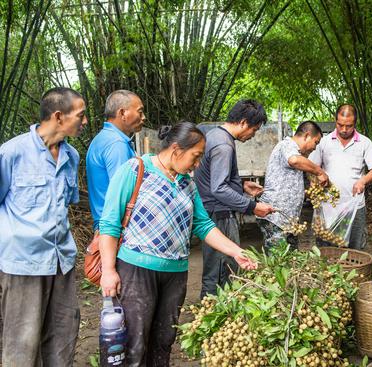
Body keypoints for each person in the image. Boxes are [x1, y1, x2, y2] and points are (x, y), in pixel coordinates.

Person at [99, 122, 257, 366]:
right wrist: (108, 270)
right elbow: (109, 224)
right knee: (134, 341)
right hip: (136, 272)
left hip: (175, 275)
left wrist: (236, 252)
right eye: (195, 157)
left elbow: (203, 225)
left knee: (164, 340)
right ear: (176, 149)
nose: (196, 165)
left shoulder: (187, 184)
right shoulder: (136, 169)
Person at [0, 87, 87, 366]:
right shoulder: (12, 153)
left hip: (61, 261)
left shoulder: (71, 156)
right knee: (22, 344)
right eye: (81, 115)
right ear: (59, 116)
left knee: (63, 337)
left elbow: (66, 205)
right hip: (23, 262)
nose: (85, 122)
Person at [194, 99, 275, 299]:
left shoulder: (215, 134)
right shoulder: (224, 145)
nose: (253, 135)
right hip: (219, 215)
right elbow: (219, 188)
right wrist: (252, 207)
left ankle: (212, 312)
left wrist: (242, 185)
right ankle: (212, 315)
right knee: (224, 269)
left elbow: (217, 178)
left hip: (211, 212)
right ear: (243, 122)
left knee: (216, 266)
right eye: (254, 130)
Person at [309, 104, 372, 250]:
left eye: (349, 126)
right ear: (335, 121)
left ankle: (354, 270)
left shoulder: (365, 143)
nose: (343, 129)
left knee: (355, 246)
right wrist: (315, 181)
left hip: (355, 205)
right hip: (328, 204)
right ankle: (328, 272)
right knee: (326, 245)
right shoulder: (324, 142)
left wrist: (363, 180)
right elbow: (311, 167)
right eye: (340, 125)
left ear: (355, 124)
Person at [258, 121, 328, 253]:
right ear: (307, 135)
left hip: (288, 220)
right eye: (316, 142)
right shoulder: (287, 145)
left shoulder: (296, 151)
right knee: (278, 263)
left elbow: (290, 184)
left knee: (291, 260)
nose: (315, 148)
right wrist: (319, 171)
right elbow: (293, 160)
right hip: (275, 217)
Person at [86, 90, 146, 230]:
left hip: (106, 225)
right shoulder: (116, 144)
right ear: (122, 113)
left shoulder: (103, 138)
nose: (143, 118)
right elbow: (124, 192)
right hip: (116, 228)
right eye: (140, 112)